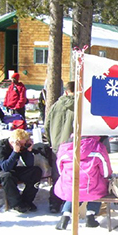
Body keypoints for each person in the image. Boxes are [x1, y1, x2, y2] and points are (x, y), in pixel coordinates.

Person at [54, 136, 112, 230]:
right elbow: (105, 172)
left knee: (74, 189)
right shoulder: (98, 147)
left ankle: (65, 216)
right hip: (91, 186)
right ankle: (90, 216)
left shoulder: (64, 147)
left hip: (69, 186)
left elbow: (60, 169)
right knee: (97, 186)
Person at [0, 129, 42, 213]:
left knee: (35, 171)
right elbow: (5, 167)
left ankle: (27, 200)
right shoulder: (0, 147)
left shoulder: (21, 147)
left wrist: (28, 151)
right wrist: (15, 152)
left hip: (13, 170)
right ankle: (16, 204)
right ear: (15, 142)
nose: (22, 147)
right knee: (7, 176)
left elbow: (29, 164)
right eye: (21, 144)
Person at [44, 81, 76, 213]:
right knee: (73, 176)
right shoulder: (81, 106)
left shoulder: (55, 106)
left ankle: (54, 203)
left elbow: (46, 126)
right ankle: (70, 204)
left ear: (66, 91)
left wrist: (52, 141)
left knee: (57, 176)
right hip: (74, 146)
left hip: (57, 146)